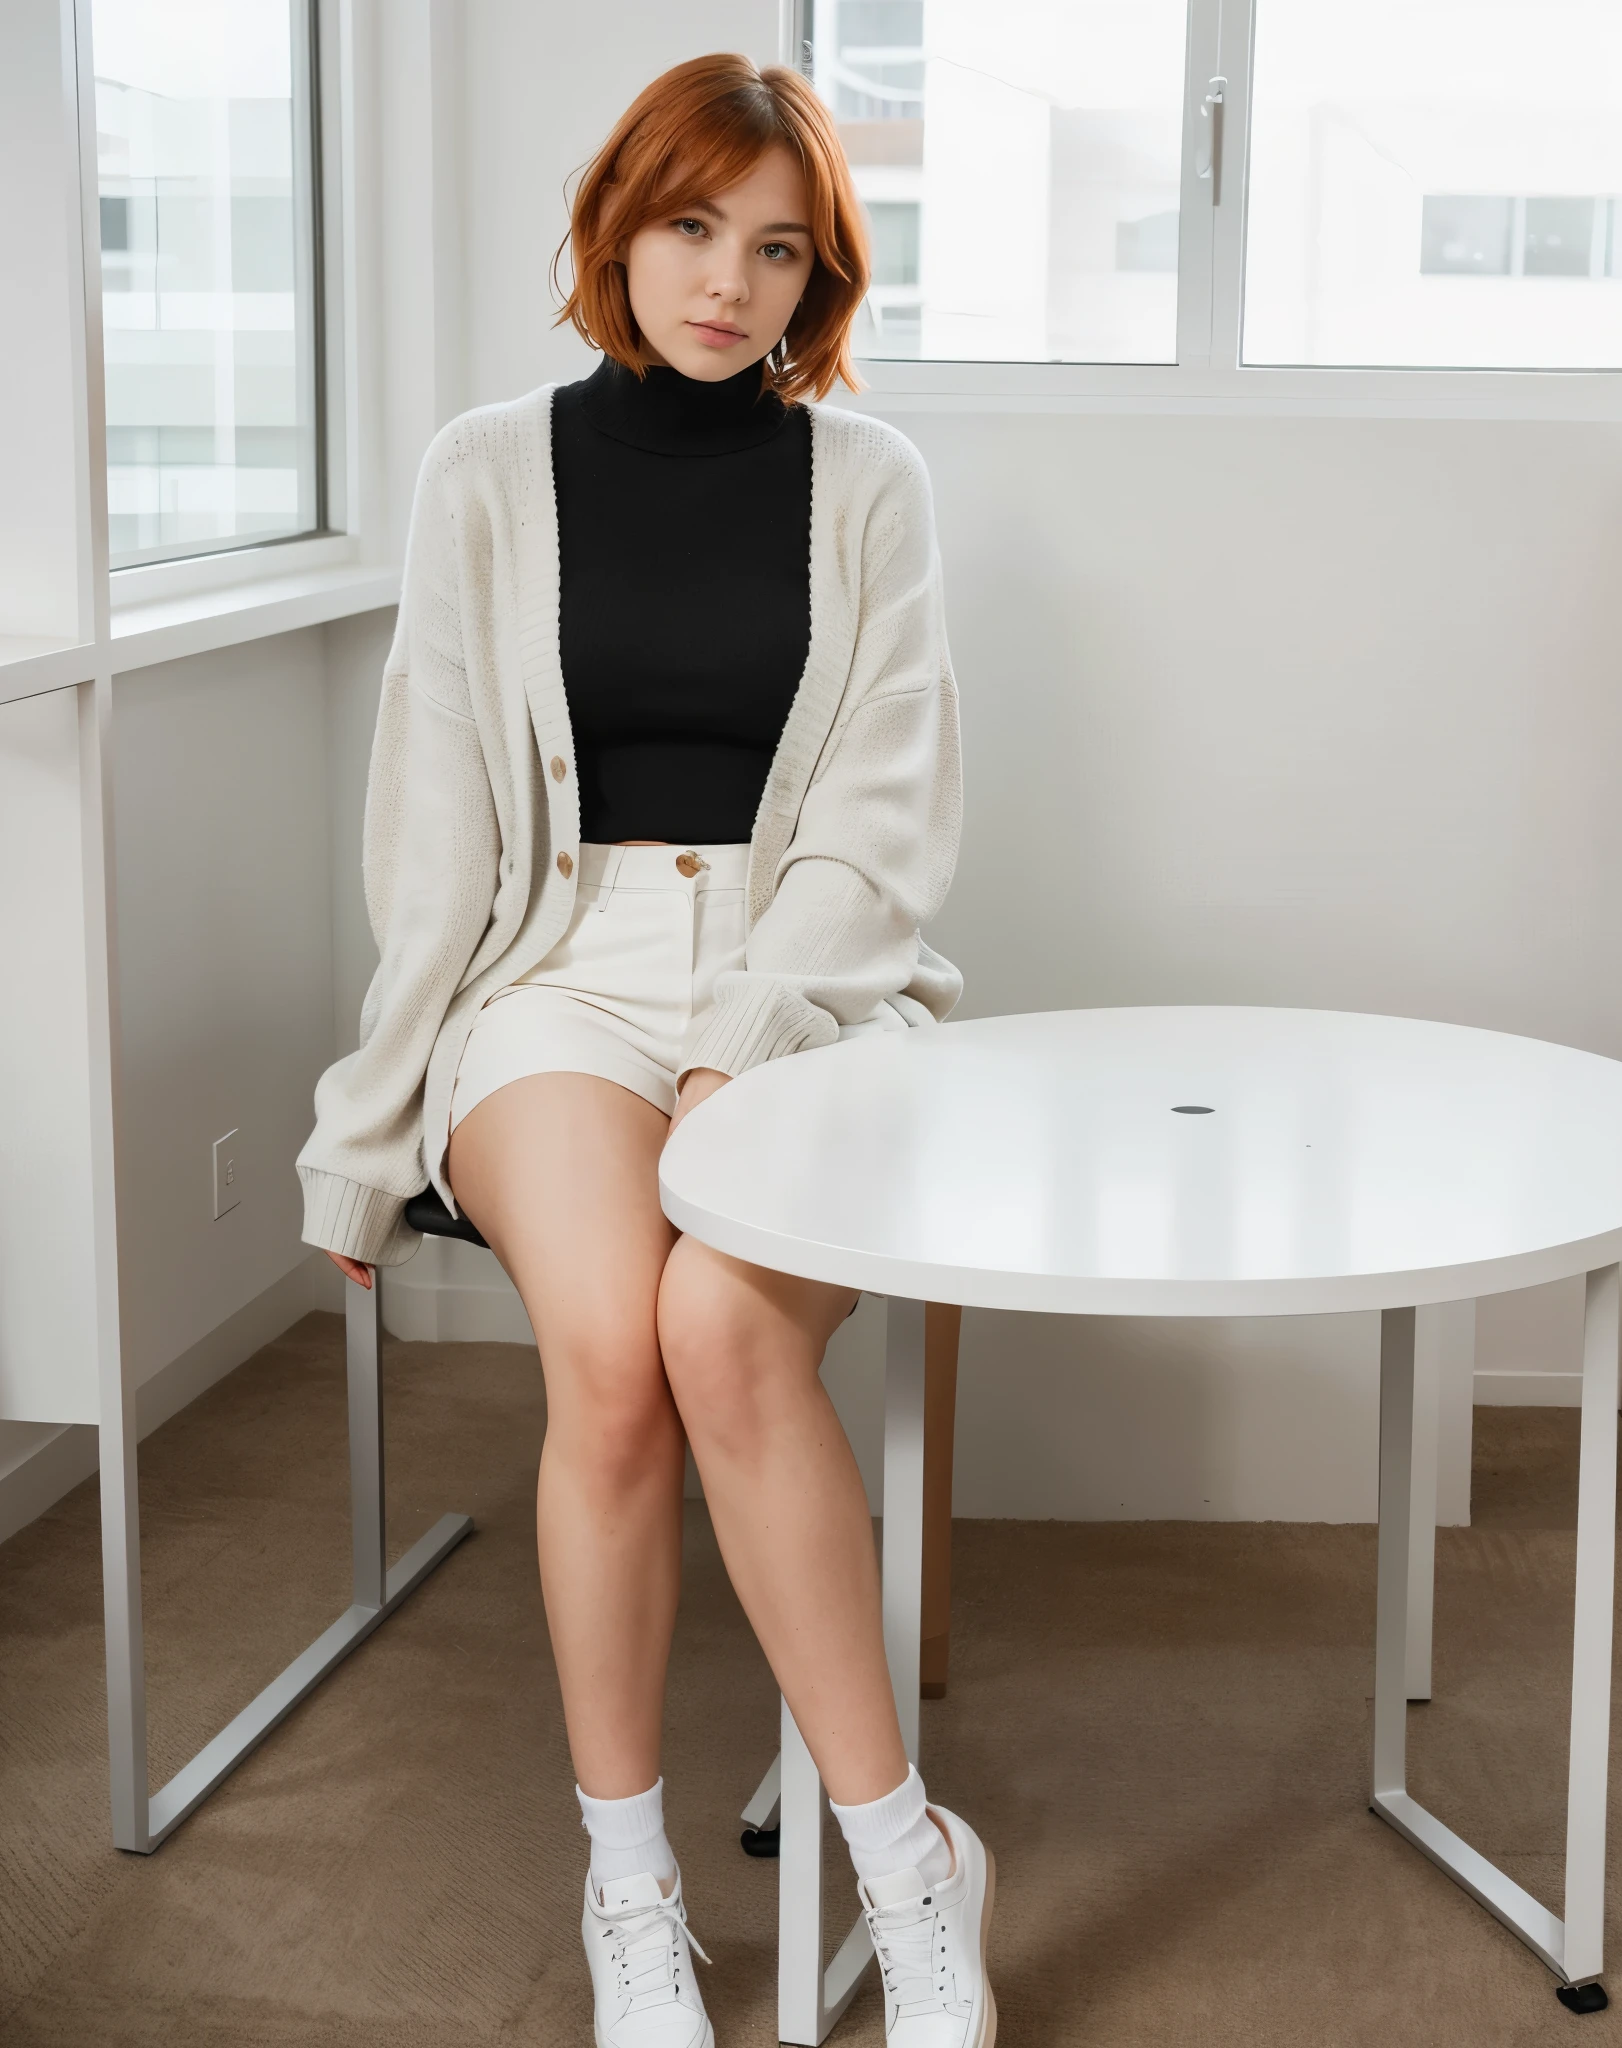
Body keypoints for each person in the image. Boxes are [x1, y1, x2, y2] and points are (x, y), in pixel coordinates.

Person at [296, 54, 986, 2048]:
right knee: (612, 1360)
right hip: (559, 971)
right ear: (619, 224)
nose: (727, 282)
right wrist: (363, 1134)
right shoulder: (481, 469)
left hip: (813, 979)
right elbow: (432, 833)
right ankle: (633, 1889)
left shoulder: (871, 484)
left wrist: (756, 1030)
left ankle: (907, 1865)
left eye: (778, 249)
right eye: (693, 228)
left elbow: (886, 814)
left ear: (816, 281)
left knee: (724, 1332)